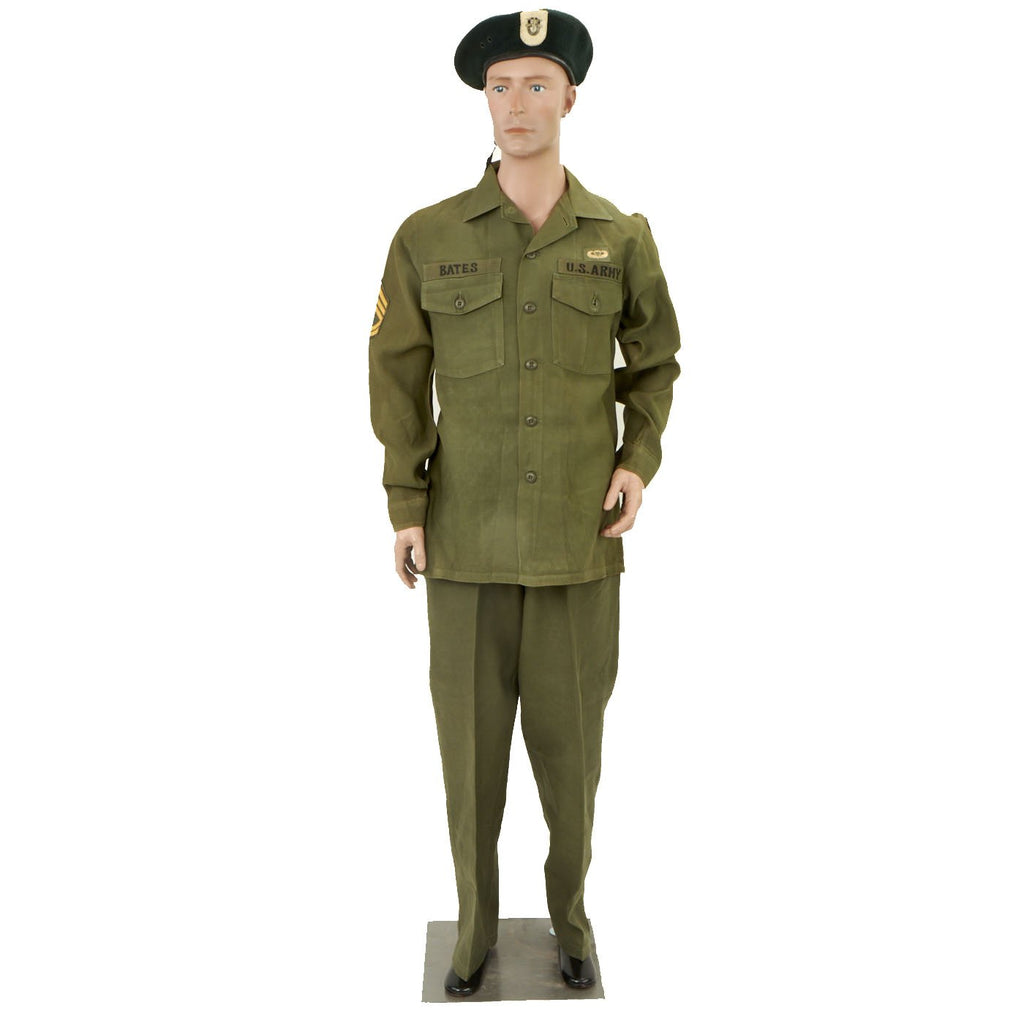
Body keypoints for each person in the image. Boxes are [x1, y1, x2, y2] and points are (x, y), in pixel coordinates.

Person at [368, 8, 681, 997]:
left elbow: (656, 363)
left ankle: (571, 919)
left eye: (536, 84)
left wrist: (637, 461)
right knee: (469, 763)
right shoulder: (428, 237)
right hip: (462, 545)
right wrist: (405, 501)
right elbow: (396, 373)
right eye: (500, 85)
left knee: (572, 757)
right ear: (484, 99)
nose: (516, 104)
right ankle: (471, 931)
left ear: (569, 98)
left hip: (578, 547)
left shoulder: (618, 237)